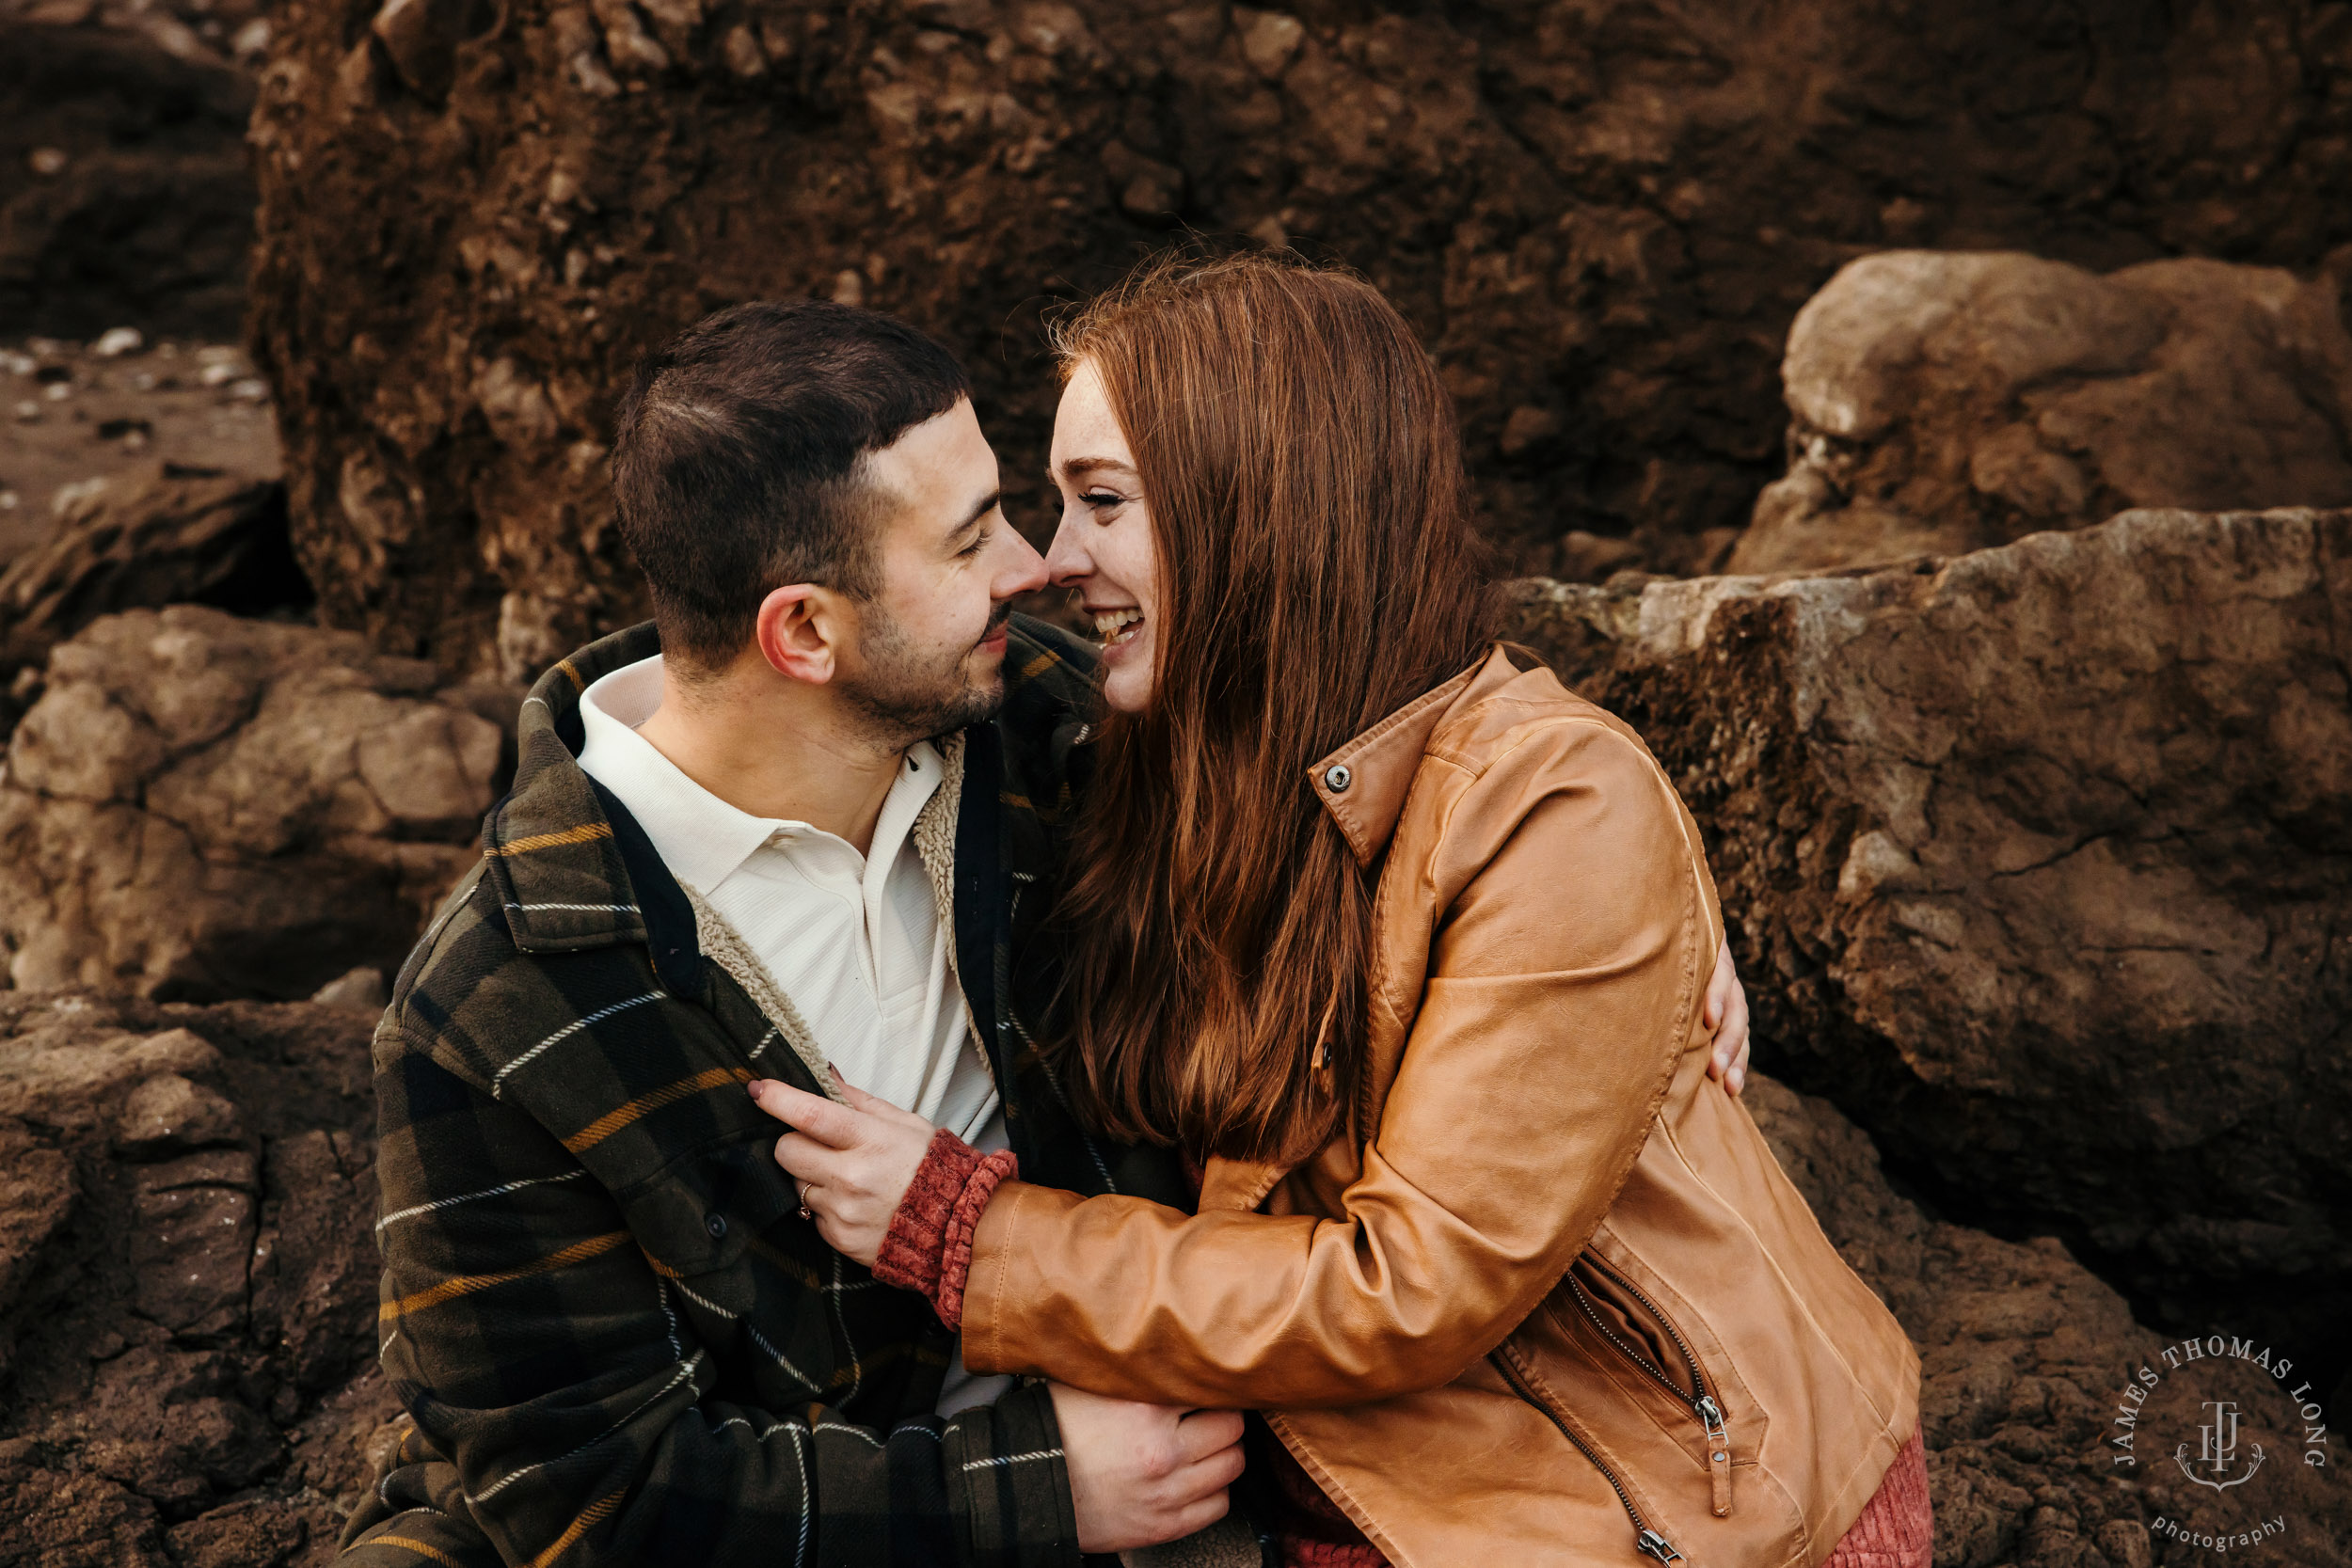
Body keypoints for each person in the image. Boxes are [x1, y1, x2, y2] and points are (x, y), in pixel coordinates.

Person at [755, 254, 1928, 1568]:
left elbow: (1409, 1291)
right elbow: (778, 653)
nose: (1048, 562)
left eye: (1101, 502)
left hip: (1640, 1503)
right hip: (1337, 1479)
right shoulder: (1155, 743)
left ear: (1257, 511)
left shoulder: (1555, 812)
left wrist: (967, 1233)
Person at [341, 301, 1254, 1567]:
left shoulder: (1053, 740)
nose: (1031, 567)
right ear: (805, 632)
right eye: (971, 541)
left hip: (1133, 1437)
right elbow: (591, 1496)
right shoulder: (500, 1003)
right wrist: (1041, 1490)